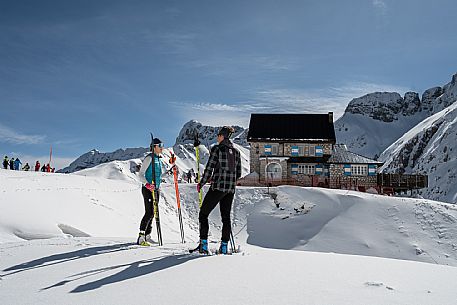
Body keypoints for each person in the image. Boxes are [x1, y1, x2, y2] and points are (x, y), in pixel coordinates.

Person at [193, 126, 241, 254]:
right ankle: (224, 247)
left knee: (203, 214)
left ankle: (203, 244)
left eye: (218, 135)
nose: (217, 137)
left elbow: (209, 169)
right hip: (230, 190)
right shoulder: (236, 152)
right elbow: (239, 173)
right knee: (226, 217)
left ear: (222, 136)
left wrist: (201, 183)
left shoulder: (217, 149)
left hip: (218, 187)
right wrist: (230, 182)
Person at [136, 137, 165, 246]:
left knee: (154, 213)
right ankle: (141, 236)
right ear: (154, 147)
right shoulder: (149, 158)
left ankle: (148, 236)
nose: (162, 147)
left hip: (156, 189)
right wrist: (147, 184)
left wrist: (171, 172)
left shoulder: (158, 159)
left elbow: (159, 175)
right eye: (160, 145)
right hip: (148, 189)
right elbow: (141, 174)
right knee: (149, 212)